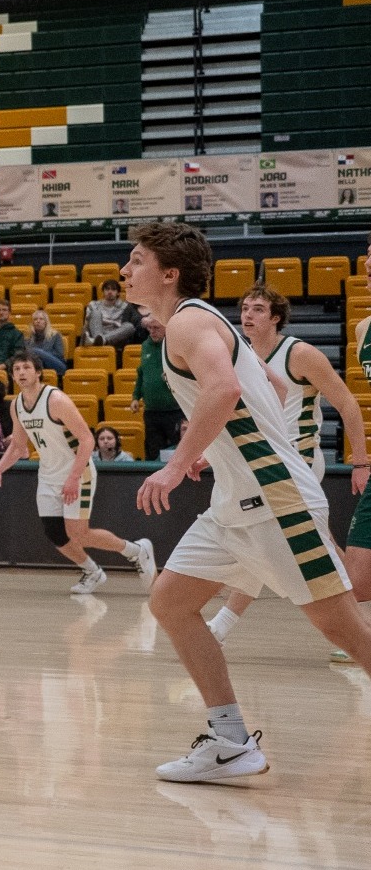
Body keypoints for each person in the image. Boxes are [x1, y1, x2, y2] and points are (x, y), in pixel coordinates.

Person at [126, 223, 371, 783]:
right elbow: (270, 389)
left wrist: (175, 461)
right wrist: (217, 448)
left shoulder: (188, 320)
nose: (124, 270)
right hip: (236, 502)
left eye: (136, 260)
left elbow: (226, 390)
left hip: (277, 499)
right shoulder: (194, 326)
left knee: (346, 632)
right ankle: (231, 741)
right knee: (169, 602)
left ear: (169, 272)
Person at [208, 281, 371, 652]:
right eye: (245, 308)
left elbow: (347, 404)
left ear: (276, 318)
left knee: (262, 540)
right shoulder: (242, 354)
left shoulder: (299, 353)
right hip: (259, 463)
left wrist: (359, 460)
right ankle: (359, 625)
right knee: (314, 550)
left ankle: (219, 626)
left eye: (258, 309)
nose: (247, 315)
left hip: (298, 463)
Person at [0, 352, 156, 595]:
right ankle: (92, 571)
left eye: (26, 367)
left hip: (79, 471)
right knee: (54, 532)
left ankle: (136, 550)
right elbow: (18, 447)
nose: (21, 373)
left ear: (38, 372)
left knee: (79, 533)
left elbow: (88, 440)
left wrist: (73, 478)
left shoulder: (55, 399)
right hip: (48, 475)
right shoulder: (16, 406)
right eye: (16, 369)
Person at [131, 314, 185, 460]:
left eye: (156, 328)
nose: (152, 331)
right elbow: (141, 372)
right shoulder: (145, 346)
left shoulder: (174, 345)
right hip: (151, 412)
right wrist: (136, 397)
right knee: (153, 451)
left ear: (167, 328)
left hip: (174, 411)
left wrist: (173, 375)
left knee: (177, 450)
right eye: (150, 328)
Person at [82, 279, 145, 348]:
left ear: (118, 293)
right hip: (98, 332)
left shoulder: (125, 306)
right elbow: (86, 324)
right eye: (107, 289)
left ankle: (99, 341)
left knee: (129, 326)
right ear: (103, 291)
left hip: (116, 337)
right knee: (95, 312)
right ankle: (98, 341)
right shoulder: (93, 305)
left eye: (113, 289)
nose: (110, 292)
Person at [25, 308, 68, 375]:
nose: (38, 321)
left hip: (57, 365)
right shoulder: (28, 338)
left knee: (36, 351)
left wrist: (42, 354)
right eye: (35, 319)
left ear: (46, 322)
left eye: (41, 319)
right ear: (32, 323)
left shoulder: (55, 335)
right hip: (36, 366)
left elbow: (59, 354)